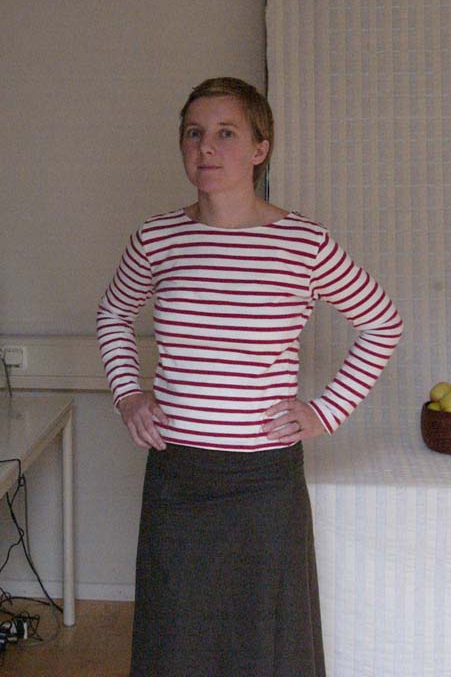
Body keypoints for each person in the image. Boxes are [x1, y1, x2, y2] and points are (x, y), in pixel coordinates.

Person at [96, 77, 403, 676]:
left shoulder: (303, 243)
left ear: (260, 148)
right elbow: (113, 313)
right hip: (179, 475)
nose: (206, 147)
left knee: (263, 642)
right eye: (194, 133)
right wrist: (128, 395)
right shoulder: (157, 238)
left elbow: (382, 322)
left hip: (264, 481)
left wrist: (325, 412)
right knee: (176, 640)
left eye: (226, 133)